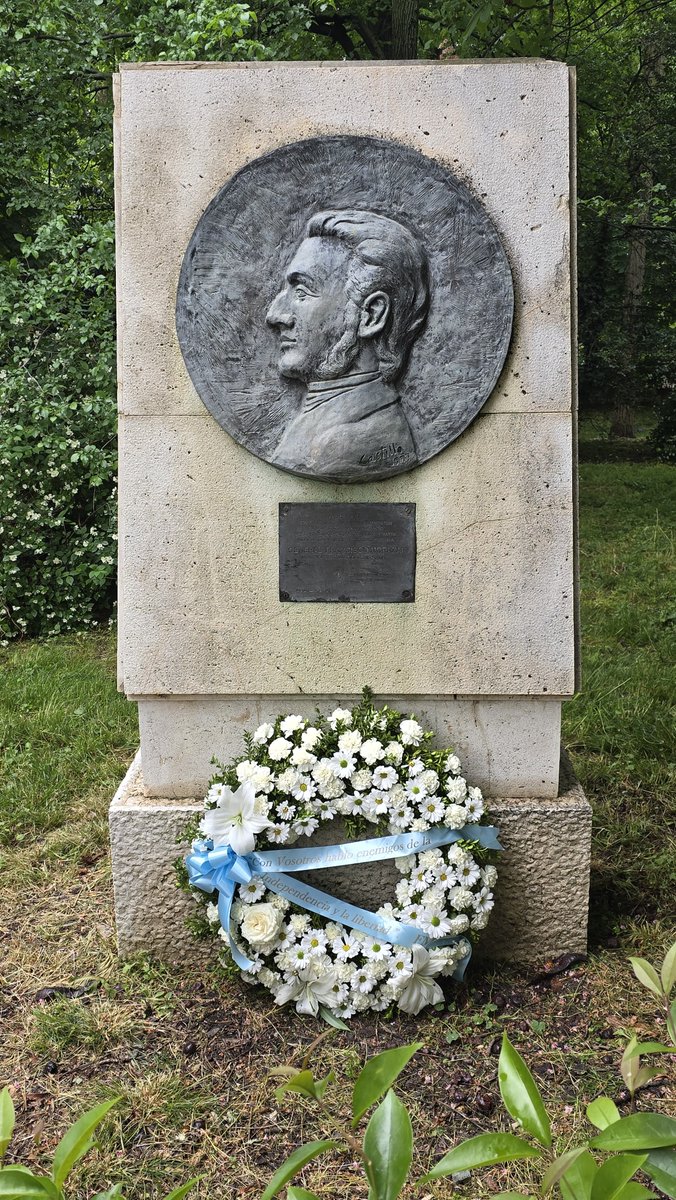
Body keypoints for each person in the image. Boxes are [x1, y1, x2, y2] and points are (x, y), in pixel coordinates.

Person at [265, 209, 430, 481]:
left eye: (302, 292)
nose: (274, 315)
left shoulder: (344, 446)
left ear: (371, 315)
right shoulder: (322, 425)